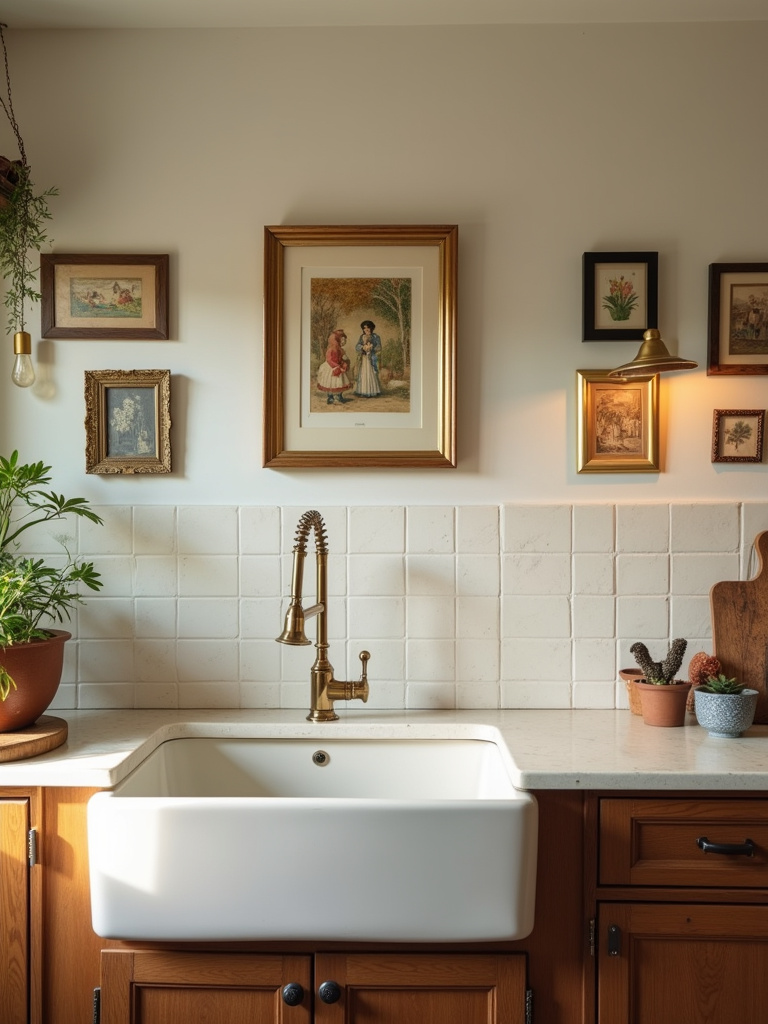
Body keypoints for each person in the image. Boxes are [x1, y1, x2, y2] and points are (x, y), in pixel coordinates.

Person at [317, 329, 352, 404]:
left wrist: (344, 363)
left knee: (340, 382)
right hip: (331, 367)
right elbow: (329, 360)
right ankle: (330, 397)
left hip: (338, 366)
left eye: (344, 341)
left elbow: (342, 358)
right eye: (342, 341)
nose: (343, 343)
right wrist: (336, 367)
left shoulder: (341, 350)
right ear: (337, 340)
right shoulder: (330, 349)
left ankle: (339, 396)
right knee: (330, 382)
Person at [354, 320, 382, 397]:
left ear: (372, 328)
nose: (366, 330)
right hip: (364, 358)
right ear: (363, 329)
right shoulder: (362, 337)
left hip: (372, 358)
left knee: (371, 373)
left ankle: (372, 390)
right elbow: (357, 347)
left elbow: (379, 347)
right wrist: (363, 347)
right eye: (364, 328)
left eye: (368, 328)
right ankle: (363, 391)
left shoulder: (376, 337)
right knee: (364, 373)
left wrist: (371, 348)